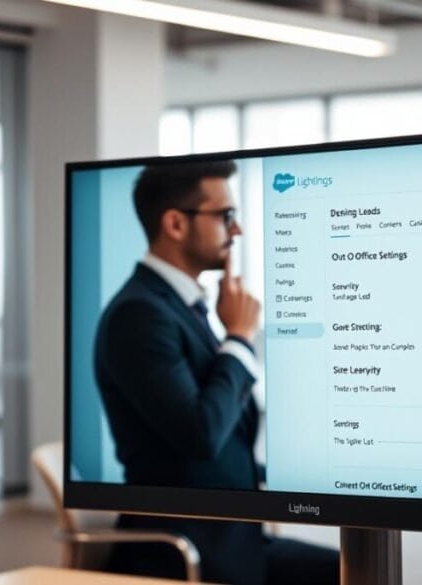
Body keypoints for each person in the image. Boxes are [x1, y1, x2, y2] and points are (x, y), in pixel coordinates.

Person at [94, 160, 338, 585]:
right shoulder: (140, 314)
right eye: (226, 216)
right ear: (175, 223)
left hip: (234, 538)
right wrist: (240, 338)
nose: (237, 230)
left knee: (358, 569)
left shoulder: (181, 307)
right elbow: (202, 432)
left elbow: (224, 427)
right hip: (186, 553)